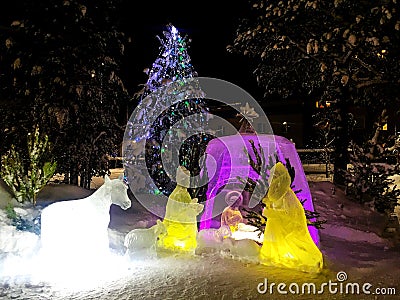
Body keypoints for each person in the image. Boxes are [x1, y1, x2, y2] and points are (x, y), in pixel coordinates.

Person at [259, 162, 323, 273]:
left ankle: (310, 261)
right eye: (272, 177)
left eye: (275, 176)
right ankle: (274, 258)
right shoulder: (275, 193)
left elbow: (289, 213)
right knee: (274, 245)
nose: (273, 180)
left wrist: (271, 213)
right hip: (275, 226)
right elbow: (273, 203)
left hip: (287, 227)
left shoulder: (287, 195)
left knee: (294, 245)